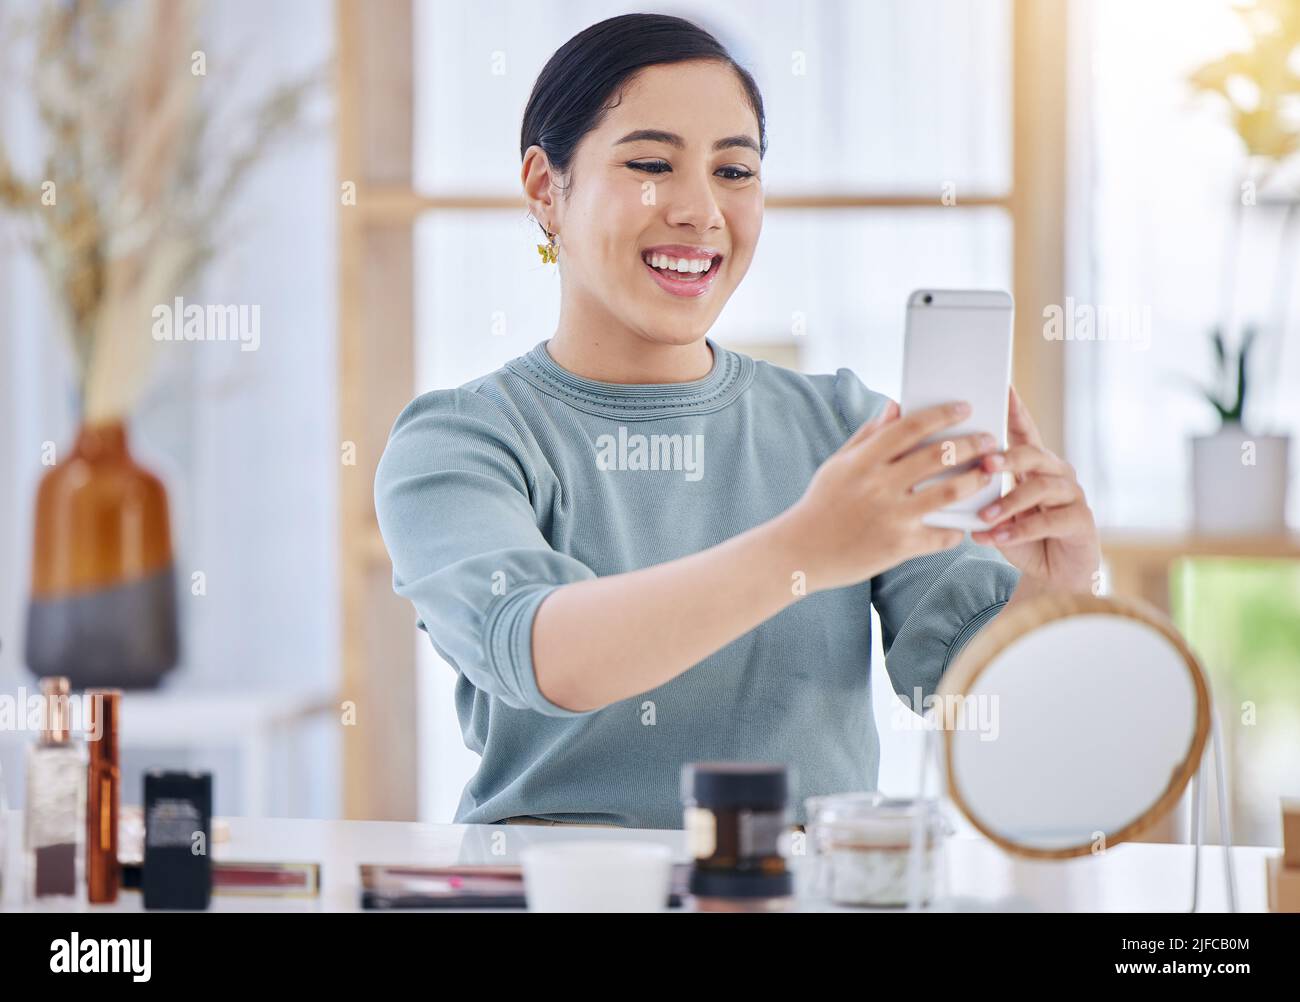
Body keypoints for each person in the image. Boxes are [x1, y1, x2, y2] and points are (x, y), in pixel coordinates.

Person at [375, 13, 1100, 829]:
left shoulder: (843, 427)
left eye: (735, 170)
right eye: (651, 164)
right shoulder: (460, 442)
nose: (699, 209)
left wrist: (1053, 588)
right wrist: (806, 547)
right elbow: (549, 654)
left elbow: (976, 703)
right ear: (547, 188)